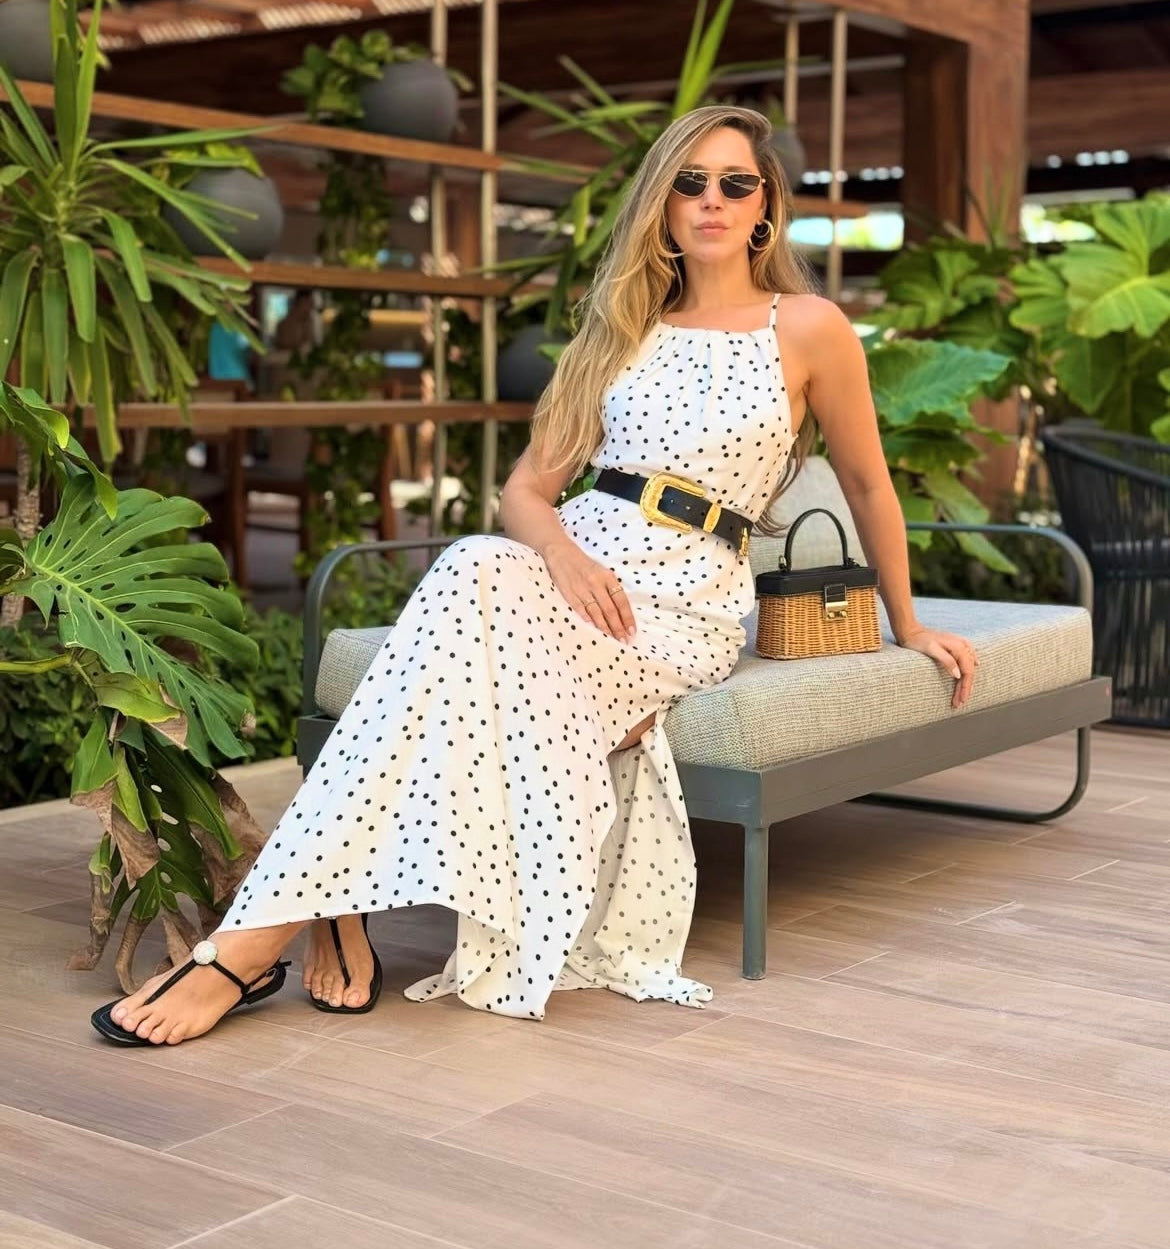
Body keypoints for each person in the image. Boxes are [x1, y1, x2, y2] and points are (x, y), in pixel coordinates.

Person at [91, 105, 978, 1047]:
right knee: (476, 561)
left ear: (766, 205)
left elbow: (869, 483)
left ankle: (262, 940)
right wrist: (563, 553)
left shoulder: (807, 326)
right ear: (664, 204)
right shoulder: (621, 329)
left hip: (684, 600)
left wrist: (910, 621)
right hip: (577, 560)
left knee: (465, 592)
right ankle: (281, 928)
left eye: (735, 183)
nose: (712, 200)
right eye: (690, 182)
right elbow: (526, 489)